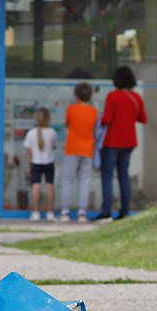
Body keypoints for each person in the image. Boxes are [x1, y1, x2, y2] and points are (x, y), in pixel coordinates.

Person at [94, 65, 147, 220]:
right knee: (124, 176)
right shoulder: (136, 98)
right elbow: (143, 119)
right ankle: (124, 211)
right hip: (129, 142)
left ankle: (106, 211)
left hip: (112, 142)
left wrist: (99, 119)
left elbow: (107, 120)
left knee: (107, 177)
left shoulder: (113, 96)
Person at [59, 82, 98, 221]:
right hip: (87, 149)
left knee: (67, 181)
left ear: (76, 97)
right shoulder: (93, 111)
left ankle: (65, 212)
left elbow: (68, 123)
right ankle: (82, 212)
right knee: (84, 181)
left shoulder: (71, 109)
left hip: (72, 148)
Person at [20, 106, 58, 220]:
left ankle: (36, 212)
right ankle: (50, 212)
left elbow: (28, 153)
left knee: (36, 187)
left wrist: (28, 167)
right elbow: (54, 146)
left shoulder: (31, 133)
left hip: (35, 163)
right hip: (49, 162)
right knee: (49, 186)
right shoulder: (52, 132)